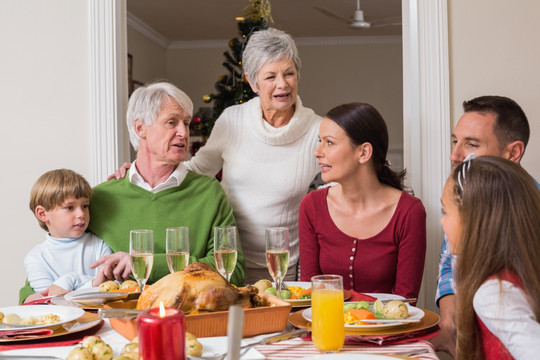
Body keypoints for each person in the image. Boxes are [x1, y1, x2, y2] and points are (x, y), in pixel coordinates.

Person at [112, 28, 322, 284]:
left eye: (289, 73)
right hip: (227, 260)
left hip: (282, 266)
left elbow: (341, 186)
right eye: (271, 76)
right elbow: (198, 168)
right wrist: (139, 173)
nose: (283, 84)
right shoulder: (233, 120)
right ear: (253, 82)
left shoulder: (317, 130)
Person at [19, 82, 245, 304]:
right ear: (140, 128)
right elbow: (58, 250)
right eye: (171, 122)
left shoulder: (208, 192)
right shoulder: (99, 198)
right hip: (118, 324)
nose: (183, 132)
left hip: (192, 318)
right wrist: (30, 294)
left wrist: (142, 263)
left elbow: (232, 271)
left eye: (186, 123)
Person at [432, 95, 539, 355]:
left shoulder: (494, 293)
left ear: (513, 152)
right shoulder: (467, 199)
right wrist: (450, 326)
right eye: (455, 140)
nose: (454, 154)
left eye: (471, 144)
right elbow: (451, 265)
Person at [298, 103, 426, 299]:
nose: (318, 152)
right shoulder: (311, 206)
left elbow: (405, 302)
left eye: (329, 142)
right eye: (319, 141)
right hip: (325, 327)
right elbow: (310, 295)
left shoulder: (409, 212)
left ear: (364, 152)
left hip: (389, 329)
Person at [440, 156, 540, 360]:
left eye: (445, 212)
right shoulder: (517, 274)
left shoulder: (493, 293)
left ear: (472, 221)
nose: (442, 222)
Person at [24, 169, 112, 301]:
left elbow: (110, 289)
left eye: (85, 206)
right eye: (70, 207)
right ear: (42, 214)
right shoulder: (36, 258)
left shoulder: (100, 245)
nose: (81, 214)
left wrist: (70, 280)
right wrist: (92, 284)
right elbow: (53, 301)